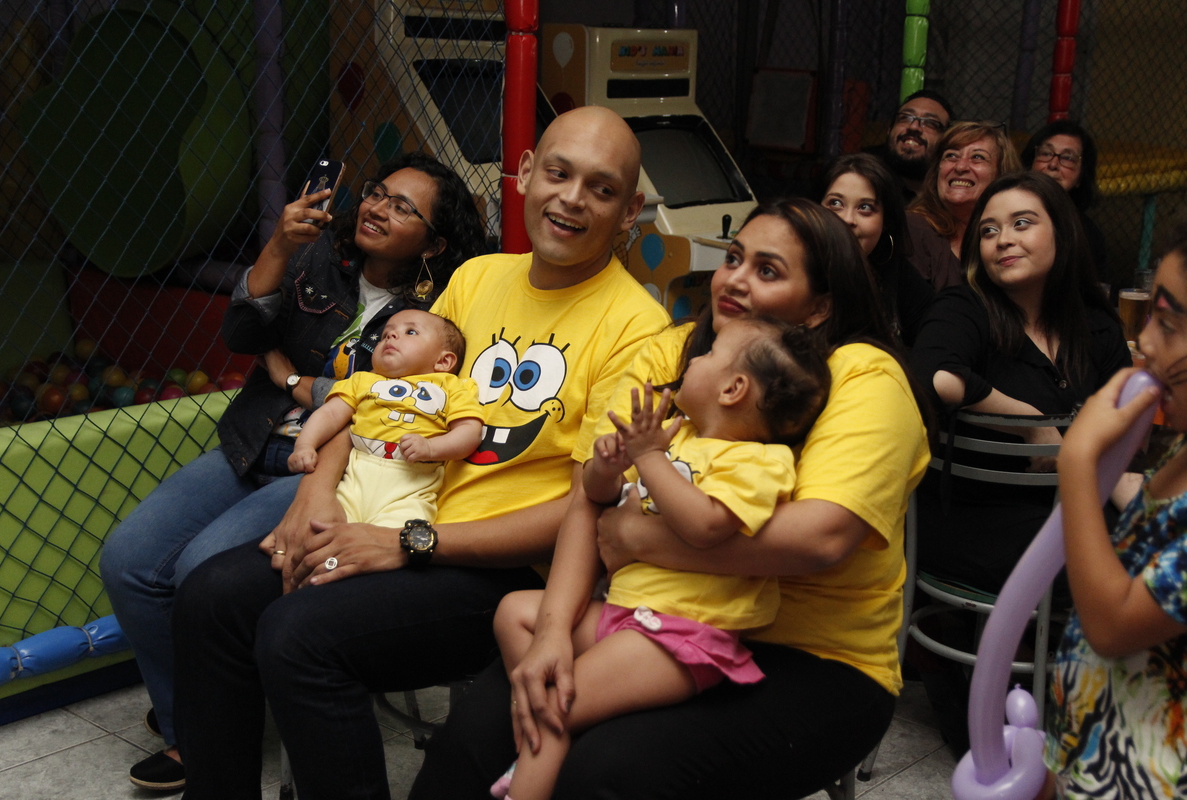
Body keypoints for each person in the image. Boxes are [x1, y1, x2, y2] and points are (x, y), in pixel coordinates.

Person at [169, 105, 670, 800]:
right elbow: (379, 397)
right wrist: (316, 493)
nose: (573, 199)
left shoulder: (639, 329)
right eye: (559, 174)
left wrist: (409, 543)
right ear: (525, 174)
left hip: (499, 571)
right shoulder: (479, 278)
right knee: (210, 597)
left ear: (630, 210)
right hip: (392, 515)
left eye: (602, 188)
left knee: (297, 636)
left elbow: (591, 506)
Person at [410, 198, 931, 800]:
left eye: (767, 270)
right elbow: (589, 499)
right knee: (471, 742)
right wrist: (553, 631)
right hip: (642, 616)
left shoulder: (862, 374)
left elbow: (821, 538)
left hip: (812, 658)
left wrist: (638, 538)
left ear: (820, 306)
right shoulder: (678, 352)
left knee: (605, 773)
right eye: (733, 258)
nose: (734, 279)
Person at [98, 150, 485, 791]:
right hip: (256, 439)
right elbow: (242, 335)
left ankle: (204, 730)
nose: (377, 208)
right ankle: (188, 722)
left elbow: (397, 401)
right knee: (128, 560)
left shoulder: (446, 307)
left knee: (202, 574)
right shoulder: (319, 255)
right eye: (377, 193)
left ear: (433, 243)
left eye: (402, 207)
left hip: (338, 469)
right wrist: (279, 245)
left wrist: (293, 379)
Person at [489, 318, 830, 800]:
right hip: (626, 613)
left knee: (555, 704)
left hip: (681, 635)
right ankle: (553, 727)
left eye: (708, 354)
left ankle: (532, 769)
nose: (693, 360)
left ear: (733, 389)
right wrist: (606, 469)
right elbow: (600, 497)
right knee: (514, 612)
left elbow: (705, 526)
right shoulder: (677, 435)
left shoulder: (758, 461)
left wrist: (649, 457)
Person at [908, 172, 1128, 754]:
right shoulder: (966, 307)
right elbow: (934, 377)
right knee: (1116, 567)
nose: (1003, 239)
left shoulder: (1096, 324)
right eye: (988, 231)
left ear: (1063, 233)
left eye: (1022, 224)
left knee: (1153, 552)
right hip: (971, 522)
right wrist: (1030, 421)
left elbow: (1121, 429)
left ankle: (1104, 715)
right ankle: (1035, 711)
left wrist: (1146, 510)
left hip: (1069, 515)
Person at [1040, 228, 1187, 800]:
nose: (1143, 340)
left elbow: (1112, 627)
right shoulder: (1181, 448)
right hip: (1097, 759)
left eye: (1168, 324)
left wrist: (1078, 461)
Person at [287, 309, 483, 531]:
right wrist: (305, 445)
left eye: (410, 332)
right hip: (353, 482)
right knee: (322, 536)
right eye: (384, 335)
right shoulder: (362, 381)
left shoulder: (451, 387)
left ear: (444, 361)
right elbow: (329, 414)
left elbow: (469, 431)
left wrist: (431, 448)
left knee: (390, 540)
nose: (390, 336)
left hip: (410, 491)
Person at [821, 153, 933, 346]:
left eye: (865, 207)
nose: (847, 219)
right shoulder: (791, 267)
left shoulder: (904, 282)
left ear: (886, 221)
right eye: (836, 203)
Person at [907, 121, 1022, 291]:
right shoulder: (914, 229)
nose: (960, 167)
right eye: (951, 156)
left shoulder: (1012, 237)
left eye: (977, 157)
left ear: (1001, 174)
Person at [1021, 120, 1106, 275]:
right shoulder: (1002, 210)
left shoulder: (1087, 235)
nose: (1053, 164)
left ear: (1081, 176)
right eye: (1046, 154)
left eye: (1067, 158)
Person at [864, 89, 955, 200]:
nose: (914, 127)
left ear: (945, 140)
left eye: (930, 122)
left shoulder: (951, 197)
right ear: (889, 129)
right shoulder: (863, 181)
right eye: (905, 117)